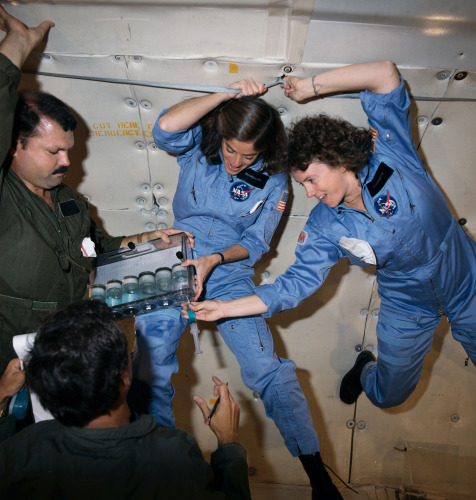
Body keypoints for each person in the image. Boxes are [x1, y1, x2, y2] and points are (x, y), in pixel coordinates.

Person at [186, 60, 476, 410]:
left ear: (338, 161)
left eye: (311, 179)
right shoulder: (323, 225)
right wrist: (226, 308)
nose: (308, 193)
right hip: (407, 305)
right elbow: (291, 287)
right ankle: (367, 369)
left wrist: (310, 87)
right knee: (388, 396)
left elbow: (384, 74)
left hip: (469, 284)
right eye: (301, 183)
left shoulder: (393, 156)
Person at [134, 79, 343, 498]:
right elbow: (164, 128)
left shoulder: (274, 180)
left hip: (229, 274)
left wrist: (214, 260)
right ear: (220, 138)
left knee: (268, 370)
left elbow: (255, 243)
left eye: (249, 154)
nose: (235, 160)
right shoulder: (198, 150)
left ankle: (318, 477)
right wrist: (224, 96)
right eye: (231, 149)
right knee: (151, 365)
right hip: (176, 260)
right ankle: (161, 470)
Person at [0, 6, 193, 376]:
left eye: (68, 150)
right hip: (9, 362)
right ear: (14, 146)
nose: (66, 161)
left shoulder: (68, 200)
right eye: (53, 151)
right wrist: (16, 46)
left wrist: (146, 240)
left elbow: (97, 249)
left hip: (63, 353)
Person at [0, 300, 250, 499]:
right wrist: (229, 442)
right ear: (124, 376)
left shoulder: (22, 450)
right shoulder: (173, 457)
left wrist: (2, 395)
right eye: (128, 354)